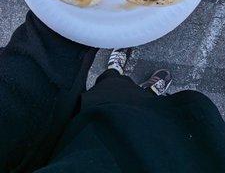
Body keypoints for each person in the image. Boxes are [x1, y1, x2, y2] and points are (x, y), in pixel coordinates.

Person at [0, 11, 225, 173]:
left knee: (107, 89)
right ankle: (142, 93)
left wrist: (64, 20)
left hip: (23, 141)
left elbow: (18, 89)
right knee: (129, 104)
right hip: (139, 147)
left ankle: (114, 72)